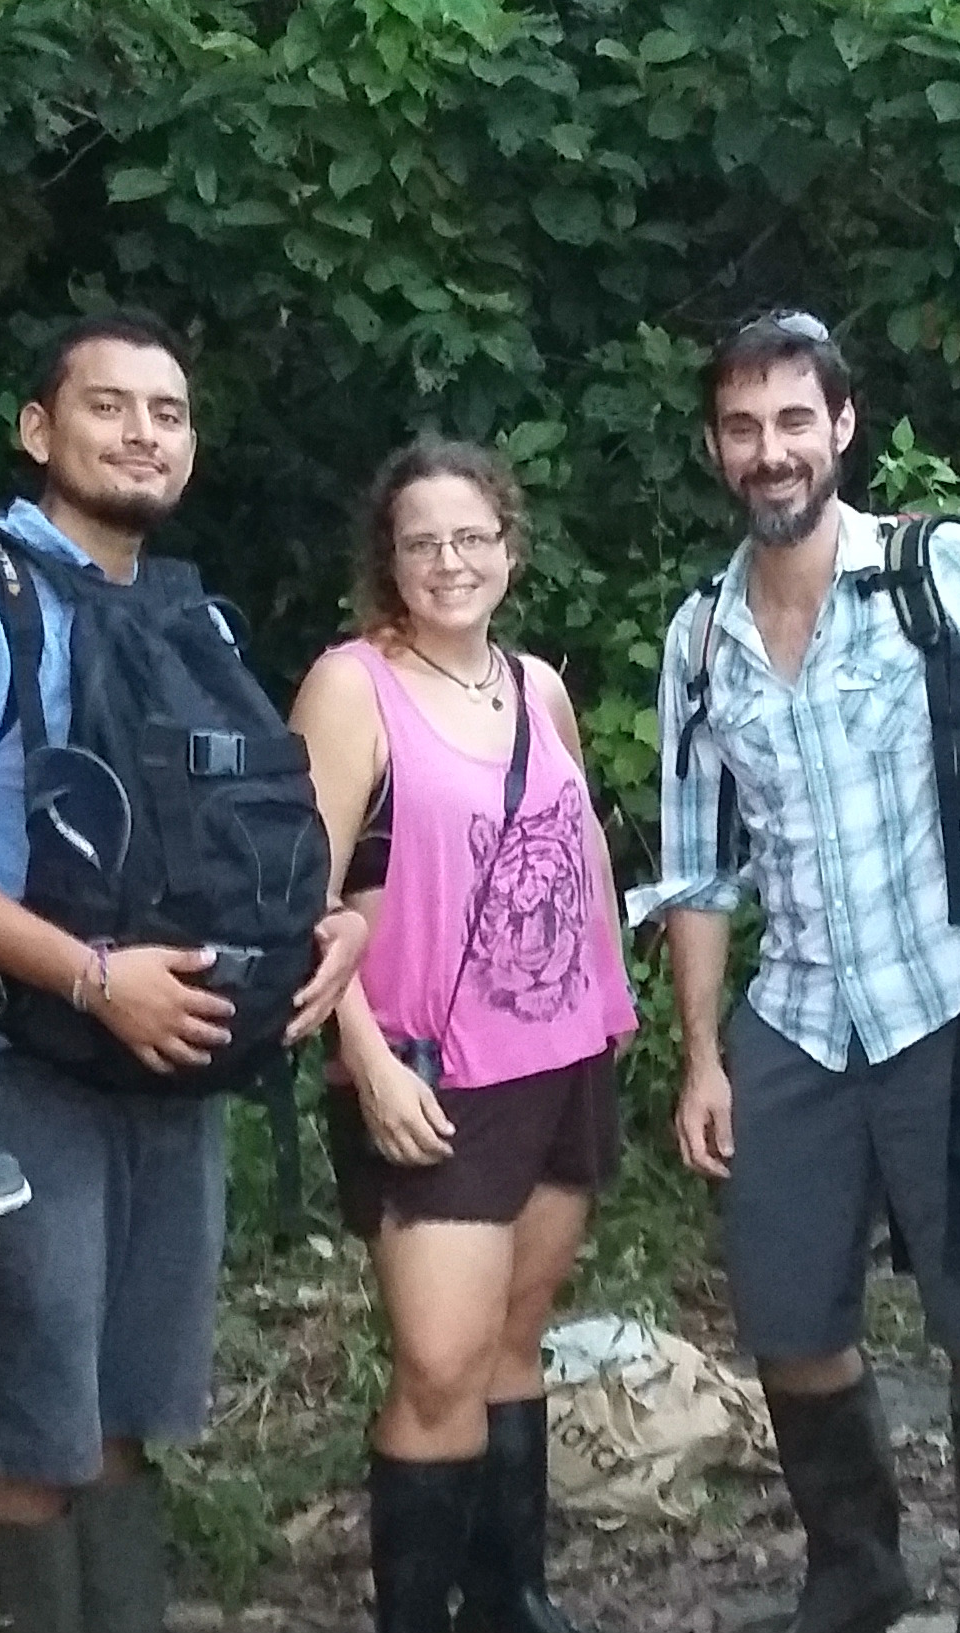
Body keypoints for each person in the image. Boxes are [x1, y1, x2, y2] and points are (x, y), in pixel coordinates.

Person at [635, 311, 960, 1633]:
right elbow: (695, 868)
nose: (770, 451)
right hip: (794, 1025)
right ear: (714, 446)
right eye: (743, 428)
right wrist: (700, 1053)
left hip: (953, 1008)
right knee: (789, 1324)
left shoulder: (936, 575)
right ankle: (855, 1571)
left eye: (793, 420)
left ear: (841, 427)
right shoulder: (700, 635)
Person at [0, 314, 369, 1633]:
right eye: (109, 406)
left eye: (168, 411)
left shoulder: (181, 607)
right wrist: (95, 980)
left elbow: (245, 835)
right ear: (38, 429)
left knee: (129, 1402)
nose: (142, 433)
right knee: (36, 1410)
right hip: (19, 1056)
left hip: (172, 1056)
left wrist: (330, 939)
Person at [292, 436, 639, 1633]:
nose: (448, 562)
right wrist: (365, 1056)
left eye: (469, 537)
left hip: (559, 1052)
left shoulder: (536, 684)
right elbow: (300, 893)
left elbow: (579, 835)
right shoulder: (353, 686)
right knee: (440, 1362)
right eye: (420, 542)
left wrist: (613, 996)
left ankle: (511, 1600)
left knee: (512, 1338)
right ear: (387, 560)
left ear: (508, 545)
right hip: (429, 1069)